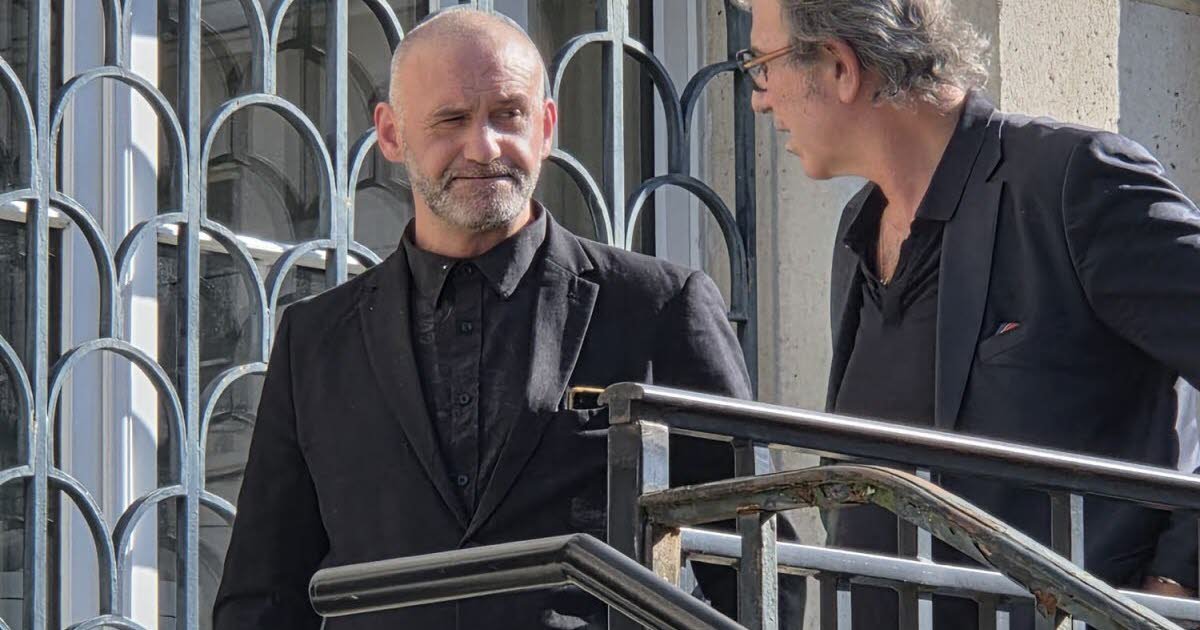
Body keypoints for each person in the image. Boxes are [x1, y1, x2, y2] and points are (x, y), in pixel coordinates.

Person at [213, 7, 802, 629]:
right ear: (391, 135)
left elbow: (761, 565)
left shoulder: (659, 306)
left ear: (545, 126)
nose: (484, 146)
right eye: (451, 119)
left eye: (508, 114)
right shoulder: (315, 342)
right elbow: (262, 597)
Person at [739, 0, 1200, 626]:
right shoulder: (857, 231)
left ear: (840, 66)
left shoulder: (1074, 181)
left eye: (762, 64)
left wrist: (1173, 581)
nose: (759, 99)